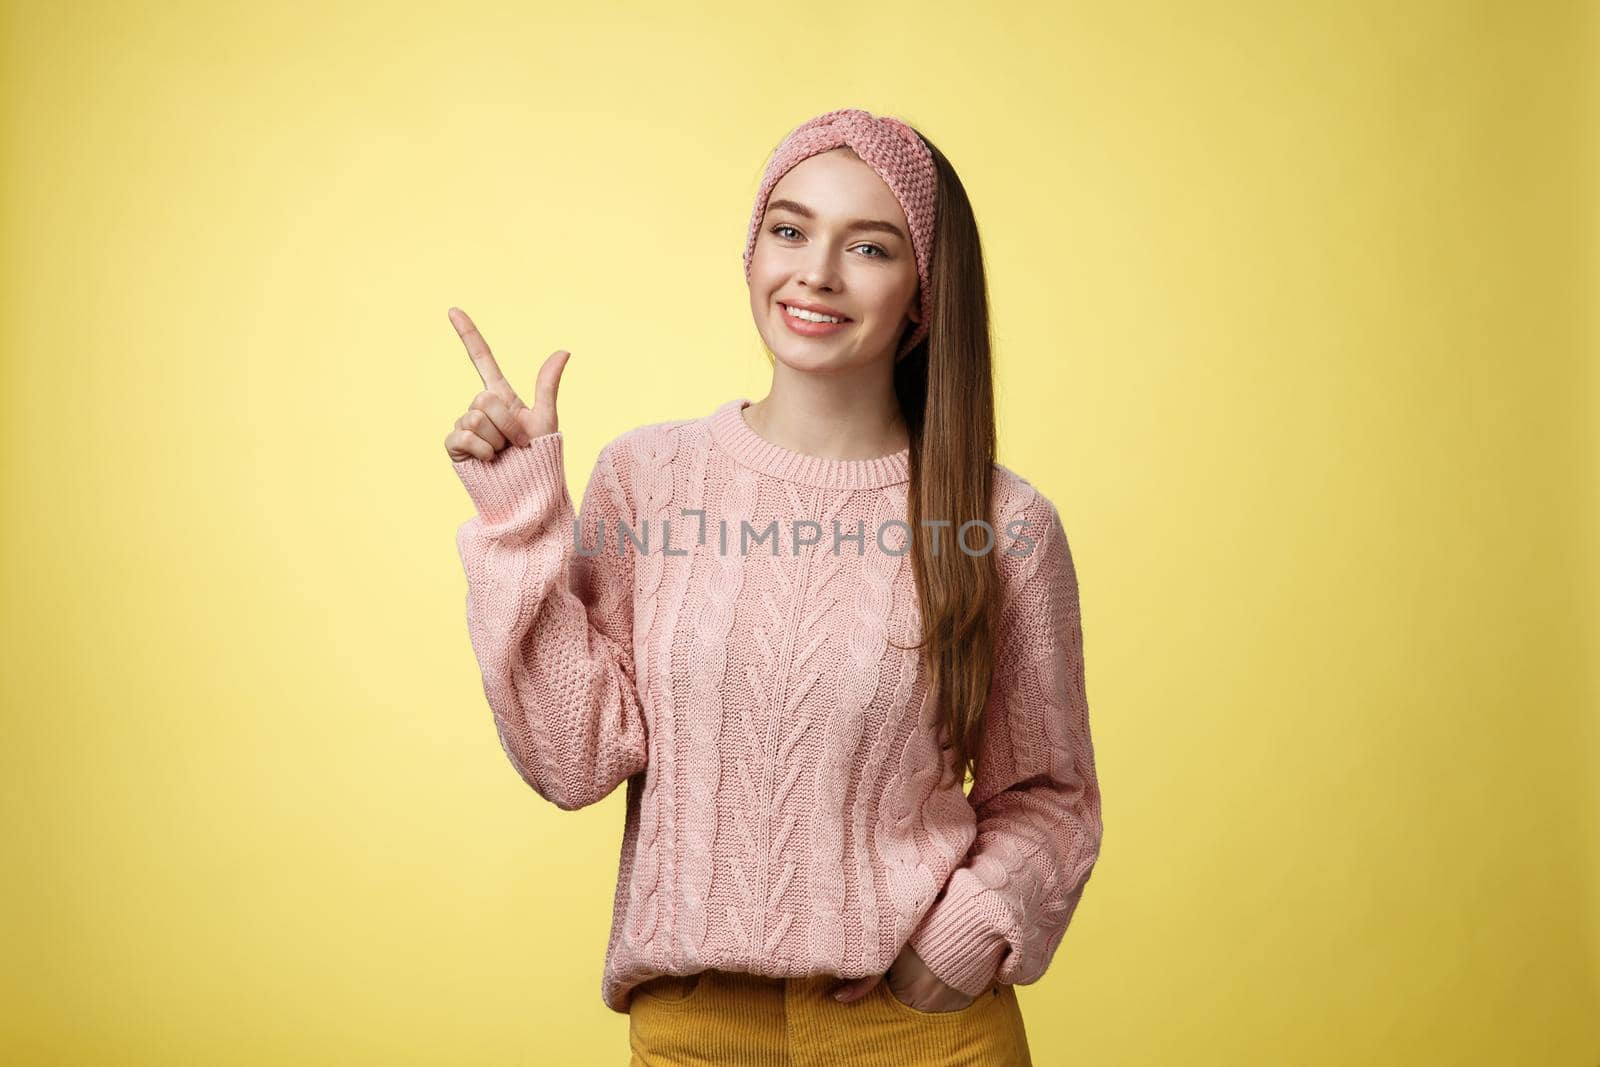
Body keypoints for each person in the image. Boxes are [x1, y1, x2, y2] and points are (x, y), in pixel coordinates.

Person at [443, 107, 1104, 1067]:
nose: (816, 274)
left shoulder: (1003, 523)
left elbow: (1051, 794)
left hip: (915, 1034)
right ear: (753, 252)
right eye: (789, 230)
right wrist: (516, 519)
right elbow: (572, 758)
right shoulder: (647, 479)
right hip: (693, 1031)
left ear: (923, 294)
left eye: (869, 247)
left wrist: (951, 951)